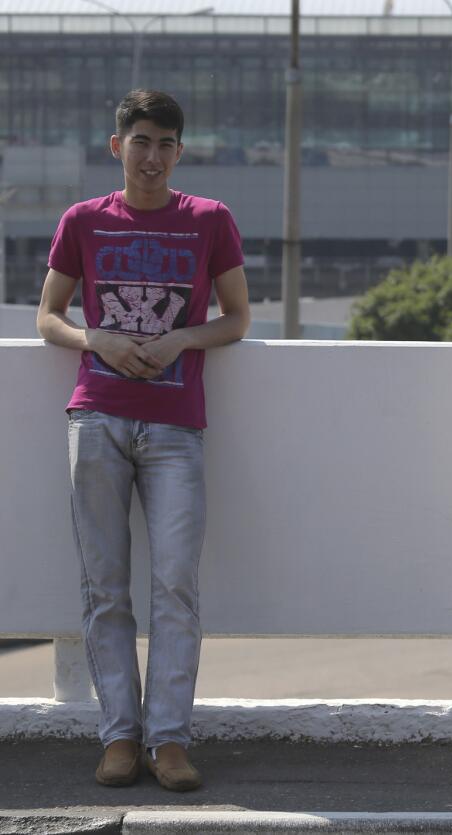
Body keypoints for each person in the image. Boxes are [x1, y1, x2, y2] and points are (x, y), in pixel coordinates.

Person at [36, 89, 250, 791]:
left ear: (179, 151)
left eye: (165, 144)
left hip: (175, 425)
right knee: (105, 587)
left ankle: (170, 740)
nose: (152, 156)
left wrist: (186, 335)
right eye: (141, 142)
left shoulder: (210, 220)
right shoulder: (83, 221)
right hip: (96, 416)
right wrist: (91, 336)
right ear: (117, 146)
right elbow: (49, 316)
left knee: (175, 586)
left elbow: (238, 317)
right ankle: (120, 736)